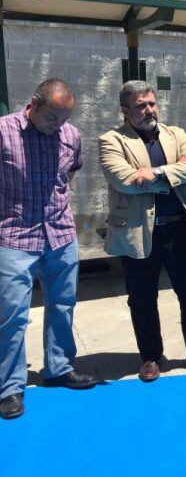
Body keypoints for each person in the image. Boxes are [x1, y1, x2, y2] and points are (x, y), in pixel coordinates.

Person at [99, 80, 186, 382]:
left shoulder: (175, 134)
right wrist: (174, 174)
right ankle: (151, 357)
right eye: (141, 106)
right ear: (126, 110)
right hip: (139, 232)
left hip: (181, 229)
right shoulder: (111, 140)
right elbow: (124, 180)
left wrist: (155, 173)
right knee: (142, 298)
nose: (149, 109)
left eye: (152, 103)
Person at [0, 79, 98, 420]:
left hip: (60, 235)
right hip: (14, 238)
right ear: (33, 104)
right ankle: (10, 387)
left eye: (64, 119)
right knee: (12, 316)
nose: (57, 125)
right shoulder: (3, 132)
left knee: (63, 306)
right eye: (52, 118)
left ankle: (59, 368)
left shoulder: (71, 136)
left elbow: (70, 173)